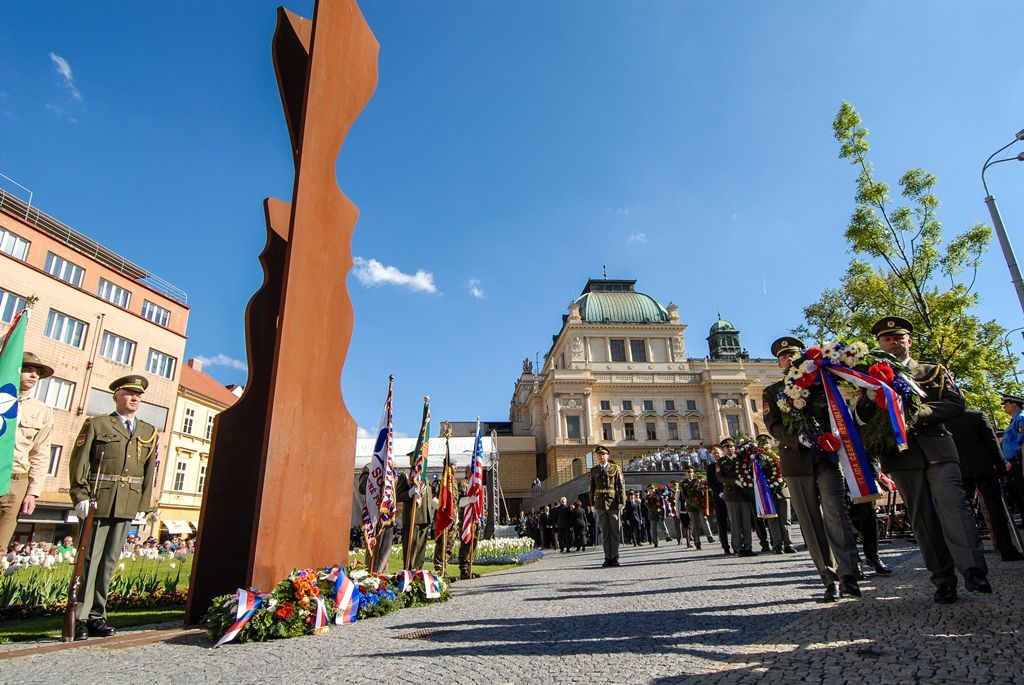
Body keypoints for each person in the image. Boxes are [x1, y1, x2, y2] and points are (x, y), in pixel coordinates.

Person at [859, 317, 989, 604]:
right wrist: (870, 395)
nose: (893, 342)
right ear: (879, 344)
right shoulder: (870, 377)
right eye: (887, 339)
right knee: (923, 519)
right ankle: (943, 579)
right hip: (903, 455)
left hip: (937, 448)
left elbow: (956, 401)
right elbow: (864, 416)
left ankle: (973, 570)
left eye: (898, 337)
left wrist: (919, 413)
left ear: (909, 341)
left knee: (955, 505)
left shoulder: (931, 370)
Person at [763, 336, 861, 601]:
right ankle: (828, 578)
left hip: (827, 458)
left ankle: (849, 574)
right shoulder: (772, 391)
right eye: (783, 357)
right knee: (810, 523)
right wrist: (799, 439)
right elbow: (773, 426)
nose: (788, 359)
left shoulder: (822, 382)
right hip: (796, 462)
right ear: (779, 363)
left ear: (802, 356)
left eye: (792, 354)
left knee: (836, 515)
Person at [69, 375, 158, 640]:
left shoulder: (147, 431)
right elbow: (79, 462)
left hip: (127, 503)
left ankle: (98, 616)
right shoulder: (97, 424)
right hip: (100, 500)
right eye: (129, 393)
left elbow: (148, 472)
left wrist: (143, 504)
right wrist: (79, 494)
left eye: (138, 395)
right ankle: (81, 617)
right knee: (90, 559)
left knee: (108, 562)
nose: (135, 398)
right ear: (116, 396)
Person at [946, 407, 1024, 562]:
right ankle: (1006, 549)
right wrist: (1001, 470)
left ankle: (969, 553)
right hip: (984, 469)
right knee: (996, 511)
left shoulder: (943, 420)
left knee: (963, 512)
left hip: (960, 470)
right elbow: (993, 443)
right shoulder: (977, 416)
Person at [0, 353, 55, 551]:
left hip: (17, 482)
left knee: (1, 547)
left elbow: (40, 454)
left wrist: (33, 492)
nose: (34, 376)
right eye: (28, 370)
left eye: (37, 373)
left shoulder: (42, 410)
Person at [716, 438, 754, 557]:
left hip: (744, 493)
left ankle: (748, 546)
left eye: (732, 446)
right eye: (727, 447)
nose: (730, 449)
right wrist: (734, 481)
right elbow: (720, 477)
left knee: (746, 521)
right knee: (735, 522)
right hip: (731, 494)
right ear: (723, 449)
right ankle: (737, 547)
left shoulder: (741, 459)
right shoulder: (721, 462)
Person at [394, 465, 436, 570]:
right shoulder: (407, 475)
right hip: (413, 517)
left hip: (425, 517)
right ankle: (409, 573)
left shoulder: (424, 475)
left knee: (420, 551)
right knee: (410, 550)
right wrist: (410, 492)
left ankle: (418, 573)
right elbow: (398, 495)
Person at [589, 446, 624, 567]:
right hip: (600, 504)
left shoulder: (615, 468)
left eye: (603, 455)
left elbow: (620, 486)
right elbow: (592, 489)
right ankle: (607, 557)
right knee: (604, 532)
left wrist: (621, 502)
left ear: (608, 456)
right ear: (597, 457)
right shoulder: (594, 470)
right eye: (599, 455)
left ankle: (614, 557)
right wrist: (592, 504)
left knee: (614, 531)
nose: (601, 457)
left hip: (613, 502)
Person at [999, 394, 1024, 521]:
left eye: (1006, 405)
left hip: (1019, 461)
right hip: (1012, 463)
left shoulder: (1021, 418)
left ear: (1014, 404)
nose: (1004, 408)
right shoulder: (1014, 420)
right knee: (1017, 493)